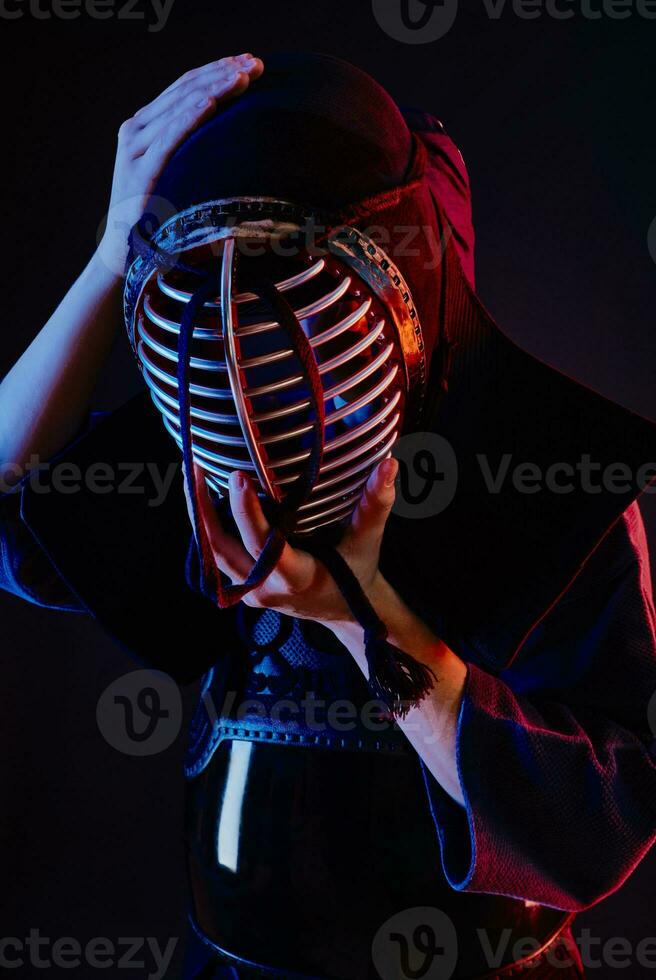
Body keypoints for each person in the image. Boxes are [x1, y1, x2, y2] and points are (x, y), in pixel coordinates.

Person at [1, 51, 655, 980]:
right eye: (232, 358)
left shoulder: (556, 494)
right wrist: (114, 255)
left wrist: (358, 614)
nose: (264, 419)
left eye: (303, 336)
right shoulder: (216, 479)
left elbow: (605, 815)